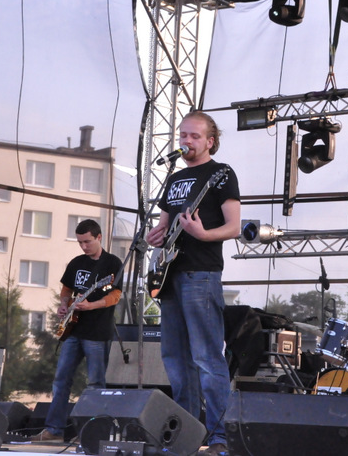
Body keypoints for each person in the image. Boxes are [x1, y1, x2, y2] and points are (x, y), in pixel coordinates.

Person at [145, 111, 241, 456]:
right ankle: (187, 435)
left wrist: (202, 234)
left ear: (210, 141)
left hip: (201, 274)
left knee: (206, 358)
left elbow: (234, 226)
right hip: (170, 275)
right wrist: (155, 237)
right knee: (175, 359)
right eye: (183, 135)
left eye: (194, 136)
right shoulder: (174, 179)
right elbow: (163, 228)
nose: (186, 141)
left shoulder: (221, 173)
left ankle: (220, 438)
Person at [37, 219, 123, 442]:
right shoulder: (76, 262)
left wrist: (92, 305)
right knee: (61, 379)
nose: (84, 246)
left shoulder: (112, 263)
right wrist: (64, 304)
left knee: (95, 383)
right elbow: (66, 289)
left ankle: (92, 432)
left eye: (87, 241)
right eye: (80, 242)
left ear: (99, 237)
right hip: (73, 330)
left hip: (97, 332)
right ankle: (54, 429)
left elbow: (115, 295)